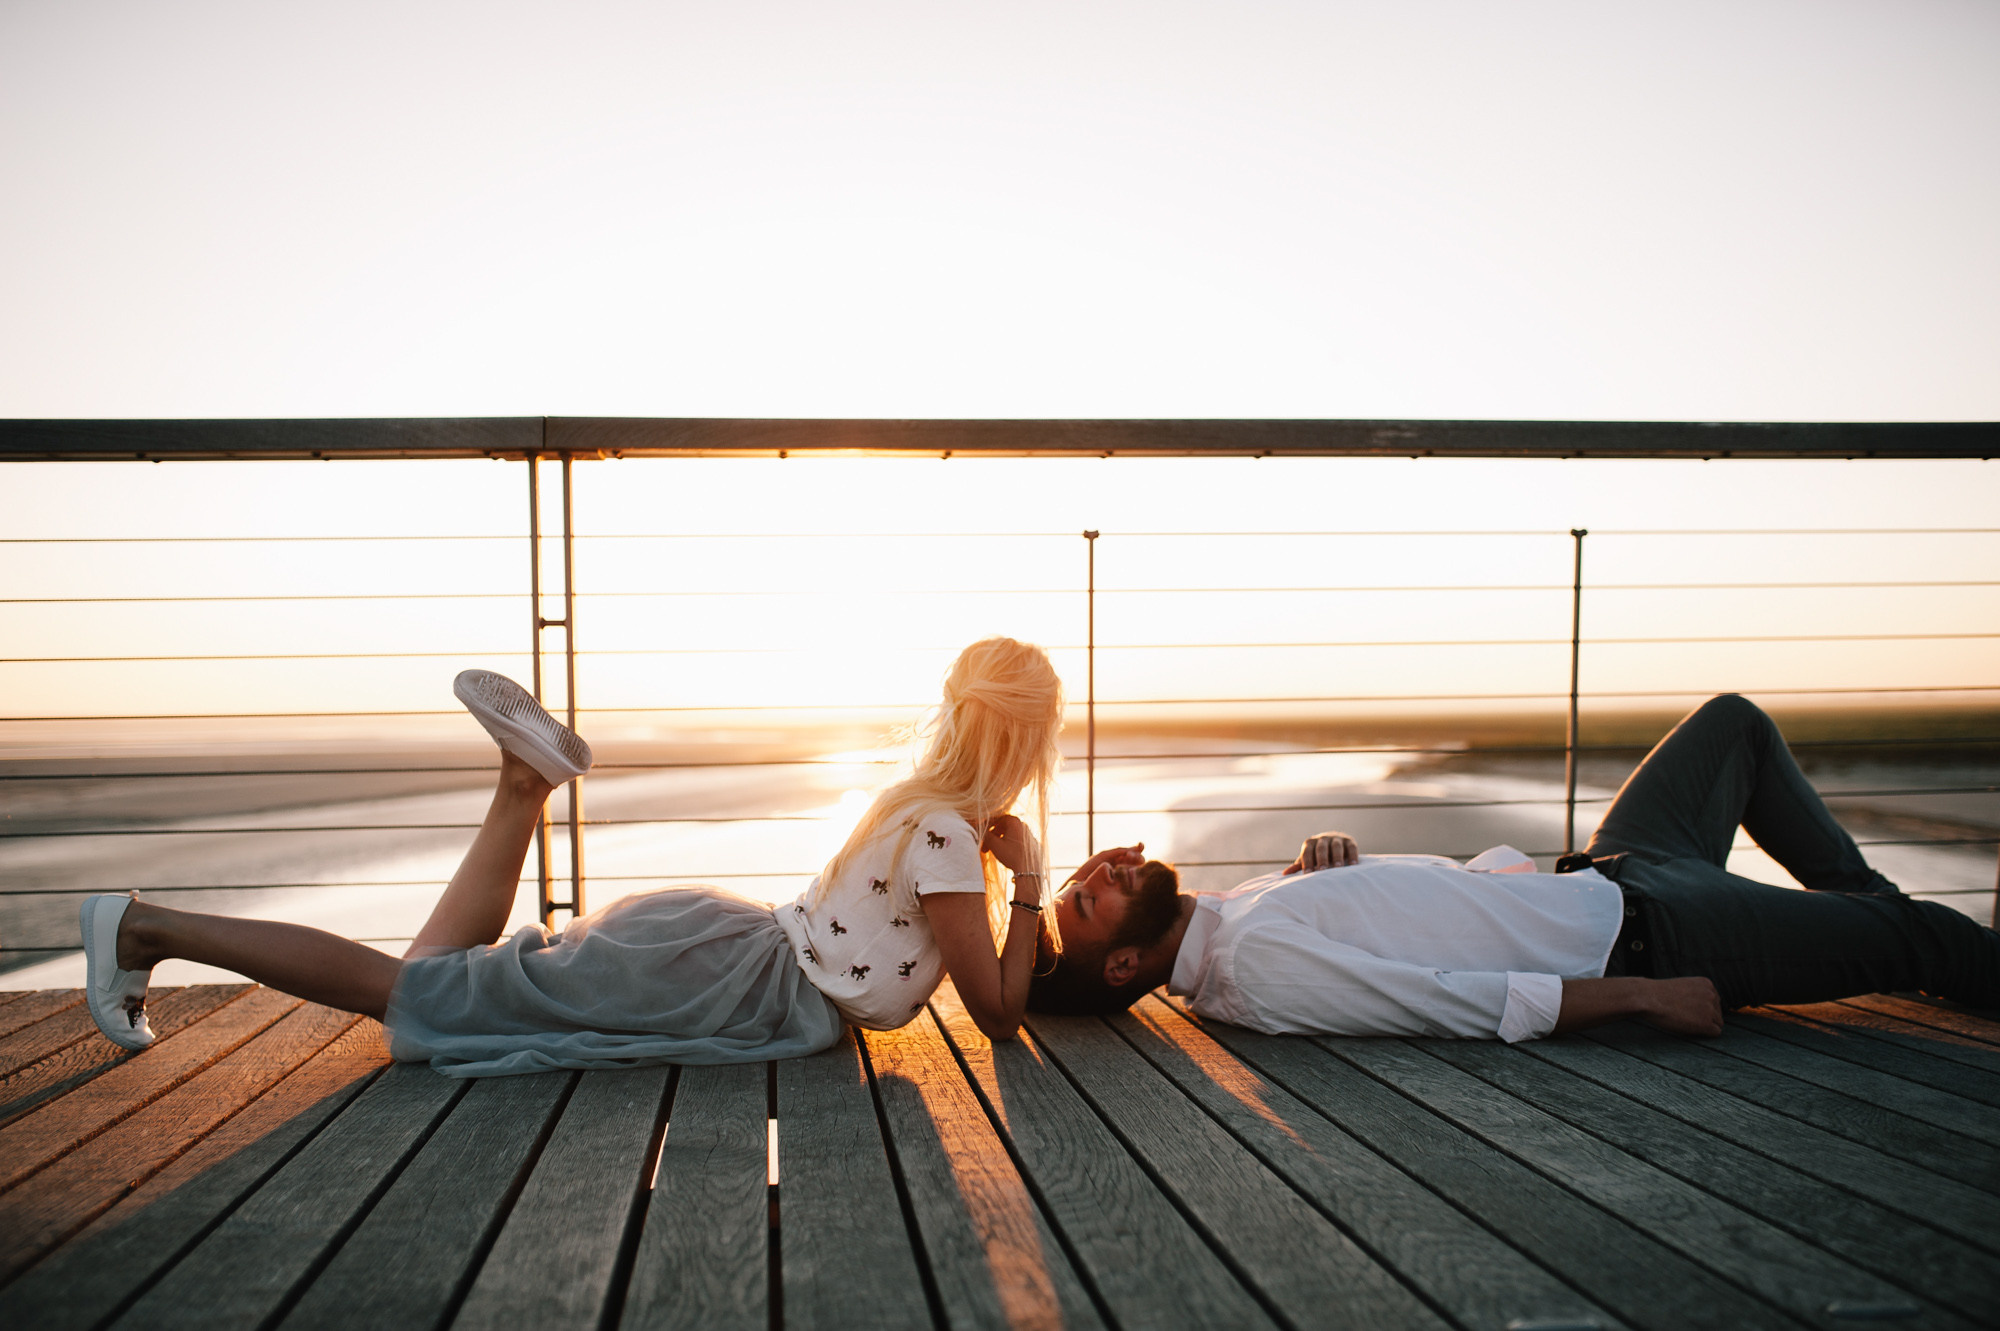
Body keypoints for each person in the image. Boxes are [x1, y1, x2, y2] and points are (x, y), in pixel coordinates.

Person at [79, 636, 1120, 1075]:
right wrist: (1028, 886)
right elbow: (994, 1010)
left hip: (717, 956)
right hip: (718, 976)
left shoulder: (919, 809)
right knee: (411, 992)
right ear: (1027, 742)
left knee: (433, 981)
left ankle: (520, 787)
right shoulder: (945, 835)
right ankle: (145, 923)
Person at [1027, 694, 2000, 1040]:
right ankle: (1883, 928)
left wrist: (1310, 877)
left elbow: (1409, 924)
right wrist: (1643, 1000)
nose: (1100, 866)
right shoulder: (1252, 969)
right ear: (1121, 966)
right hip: (1654, 934)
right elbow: (1452, 1000)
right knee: (1929, 937)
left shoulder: (1238, 918)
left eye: (1081, 873)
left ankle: (1866, 918)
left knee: (1730, 725)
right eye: (1083, 898)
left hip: (1614, 870)